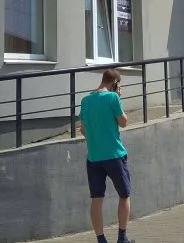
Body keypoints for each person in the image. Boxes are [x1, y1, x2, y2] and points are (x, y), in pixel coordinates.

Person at [79, 69, 133, 243]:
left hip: (94, 157)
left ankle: (101, 240)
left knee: (96, 199)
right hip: (114, 155)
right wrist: (118, 98)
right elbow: (123, 122)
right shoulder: (113, 98)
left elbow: (83, 130)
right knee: (124, 195)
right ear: (115, 83)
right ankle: (122, 238)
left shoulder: (85, 100)